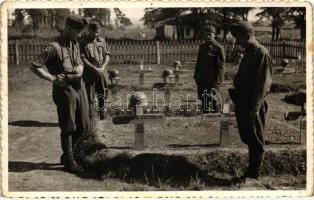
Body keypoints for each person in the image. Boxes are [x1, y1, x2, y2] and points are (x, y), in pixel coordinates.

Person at [29, 14, 89, 174]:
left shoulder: (74, 42)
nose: (79, 35)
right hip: (65, 89)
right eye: (77, 31)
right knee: (69, 126)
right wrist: (52, 78)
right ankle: (69, 160)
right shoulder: (53, 47)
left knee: (83, 123)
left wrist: (81, 68)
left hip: (79, 87)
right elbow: (34, 66)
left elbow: (80, 62)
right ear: (68, 28)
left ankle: (73, 153)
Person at [228, 20, 272, 183]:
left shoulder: (261, 53)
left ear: (247, 35)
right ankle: (251, 172)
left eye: (238, 38)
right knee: (248, 136)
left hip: (253, 103)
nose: (236, 42)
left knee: (256, 138)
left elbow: (263, 84)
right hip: (243, 102)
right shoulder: (249, 51)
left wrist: (254, 108)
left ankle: (254, 175)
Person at [80, 22, 110, 120]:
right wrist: (94, 68)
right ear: (89, 31)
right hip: (89, 72)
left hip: (101, 70)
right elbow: (83, 59)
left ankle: (102, 113)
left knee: (102, 92)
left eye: (97, 32)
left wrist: (103, 67)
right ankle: (90, 116)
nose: (96, 34)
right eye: (94, 32)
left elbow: (107, 55)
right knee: (90, 95)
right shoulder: (83, 42)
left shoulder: (102, 41)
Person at [194, 25, 225, 113]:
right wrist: (196, 76)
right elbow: (198, 62)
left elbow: (221, 67)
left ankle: (216, 116)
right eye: (206, 34)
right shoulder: (202, 47)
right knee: (203, 98)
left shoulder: (218, 48)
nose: (208, 36)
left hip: (212, 80)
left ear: (214, 35)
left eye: (210, 34)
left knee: (214, 100)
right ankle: (205, 117)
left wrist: (218, 82)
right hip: (202, 78)